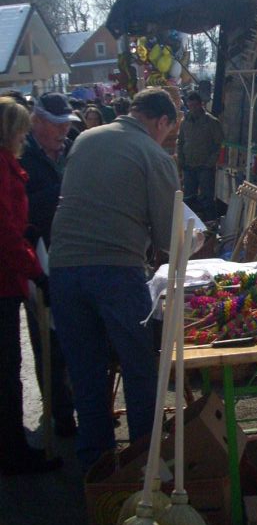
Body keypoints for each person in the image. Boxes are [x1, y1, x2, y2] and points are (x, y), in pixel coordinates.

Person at [49, 87, 181, 472]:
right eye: (168, 131)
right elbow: (167, 236)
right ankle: (144, 461)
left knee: (86, 371)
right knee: (139, 368)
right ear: (161, 122)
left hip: (64, 269)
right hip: (115, 270)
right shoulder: (154, 155)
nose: (166, 138)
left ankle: (97, 467)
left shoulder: (86, 139)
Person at [0, 97, 63, 475]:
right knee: (7, 369)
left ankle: (11, 446)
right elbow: (4, 234)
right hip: (4, 281)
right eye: (21, 129)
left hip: (9, 275)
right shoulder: (4, 168)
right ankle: (12, 452)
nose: (25, 136)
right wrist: (36, 272)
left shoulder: (10, 166)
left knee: (7, 367)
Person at [21, 93, 79, 437]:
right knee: (47, 341)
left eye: (67, 124)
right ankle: (60, 412)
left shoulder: (69, 148)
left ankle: (80, 403)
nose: (64, 131)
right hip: (37, 256)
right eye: (57, 125)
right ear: (37, 122)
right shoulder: (23, 154)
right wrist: (57, 196)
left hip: (71, 250)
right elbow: (20, 207)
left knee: (74, 334)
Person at [177, 89, 224, 220]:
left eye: (194, 105)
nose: (192, 108)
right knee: (188, 200)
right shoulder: (185, 121)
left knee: (207, 200)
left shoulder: (211, 122)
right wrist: (181, 161)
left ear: (201, 104)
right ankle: (188, 228)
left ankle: (210, 227)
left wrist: (210, 163)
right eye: (189, 106)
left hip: (205, 168)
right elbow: (180, 142)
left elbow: (219, 144)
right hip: (189, 167)